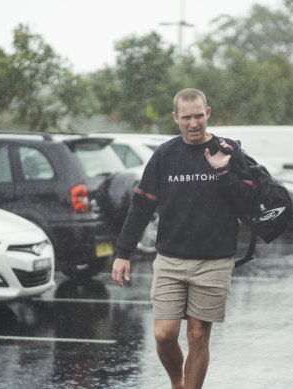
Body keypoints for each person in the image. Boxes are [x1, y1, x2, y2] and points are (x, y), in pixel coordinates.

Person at [112, 88, 257, 389]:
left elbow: (248, 205)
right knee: (164, 335)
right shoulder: (165, 155)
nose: (194, 123)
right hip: (171, 260)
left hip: (214, 261)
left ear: (208, 113)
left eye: (199, 115)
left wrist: (223, 173)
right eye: (187, 117)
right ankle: (177, 382)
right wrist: (123, 252)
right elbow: (141, 205)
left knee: (197, 336)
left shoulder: (228, 150)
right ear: (176, 118)